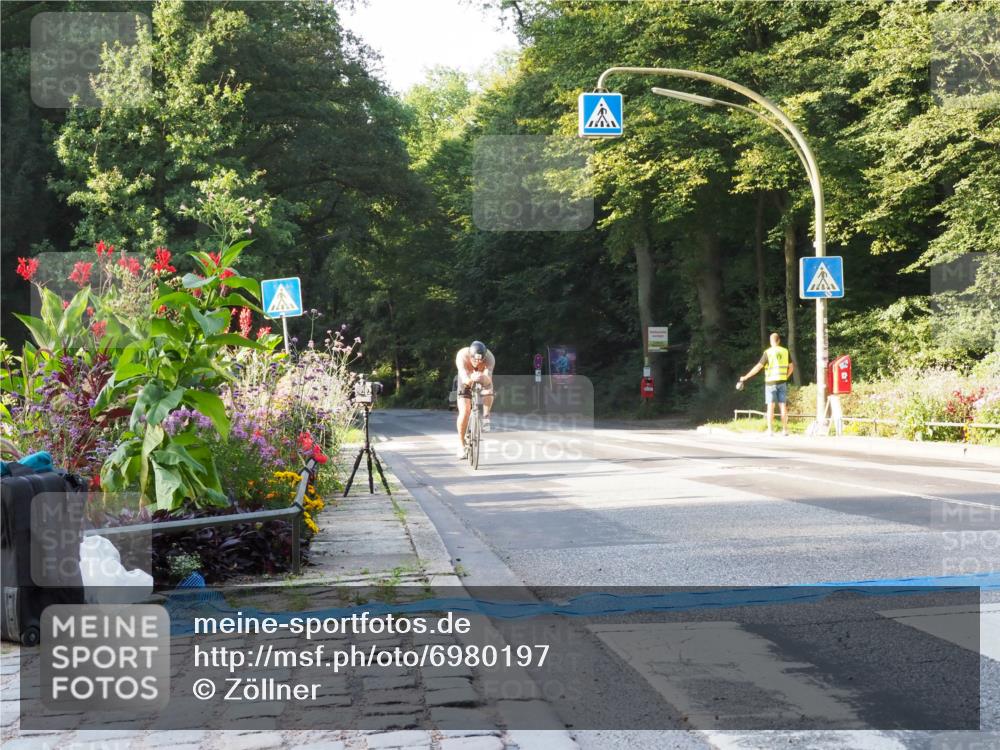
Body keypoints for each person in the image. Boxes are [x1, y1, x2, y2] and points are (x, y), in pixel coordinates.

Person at [739, 332, 795, 436]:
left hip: (770, 383)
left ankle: (770, 431)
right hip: (782, 381)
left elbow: (758, 367)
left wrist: (746, 377)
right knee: (783, 406)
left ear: (771, 341)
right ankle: (785, 430)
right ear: (779, 341)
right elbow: (791, 367)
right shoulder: (785, 351)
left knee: (771, 406)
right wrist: (785, 376)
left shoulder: (768, 352)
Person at [455, 341, 495, 458]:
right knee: (465, 411)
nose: (477, 363)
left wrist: (482, 378)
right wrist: (470, 380)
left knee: (488, 390)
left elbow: (488, 379)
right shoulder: (462, 355)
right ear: (470, 356)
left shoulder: (489, 358)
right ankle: (461, 445)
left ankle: (486, 417)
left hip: (482, 376)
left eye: (480, 360)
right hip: (466, 377)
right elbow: (463, 375)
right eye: (475, 360)